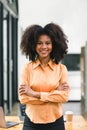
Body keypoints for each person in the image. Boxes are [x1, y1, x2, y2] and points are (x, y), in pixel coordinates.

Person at [18, 22, 70, 130]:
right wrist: (54, 93)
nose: (44, 47)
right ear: (33, 45)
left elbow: (64, 97)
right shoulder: (26, 69)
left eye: (47, 43)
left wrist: (33, 93)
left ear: (54, 45)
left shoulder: (61, 69)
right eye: (39, 43)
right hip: (31, 122)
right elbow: (23, 98)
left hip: (56, 122)